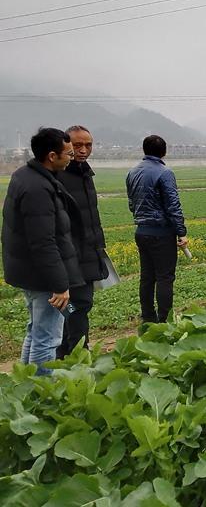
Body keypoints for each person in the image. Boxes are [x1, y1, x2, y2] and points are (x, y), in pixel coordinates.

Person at [2, 128, 82, 375]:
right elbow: (43, 242)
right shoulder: (38, 189)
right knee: (47, 338)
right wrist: (59, 284)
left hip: (30, 272)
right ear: (51, 156)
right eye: (67, 153)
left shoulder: (25, 175)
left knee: (36, 330)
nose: (72, 157)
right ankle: (42, 394)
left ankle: (25, 386)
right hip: (43, 276)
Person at [55, 125, 108, 358]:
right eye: (77, 145)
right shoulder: (60, 176)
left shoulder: (84, 173)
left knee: (77, 307)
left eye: (88, 145)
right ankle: (77, 355)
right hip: (70, 255)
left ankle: (67, 354)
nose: (83, 150)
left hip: (88, 251)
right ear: (66, 146)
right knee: (77, 307)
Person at [126, 135, 188, 323]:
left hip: (142, 230)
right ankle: (164, 319)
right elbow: (172, 205)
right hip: (161, 233)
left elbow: (131, 203)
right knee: (164, 277)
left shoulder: (132, 172)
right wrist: (181, 231)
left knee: (147, 277)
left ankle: (148, 317)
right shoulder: (164, 172)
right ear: (164, 151)